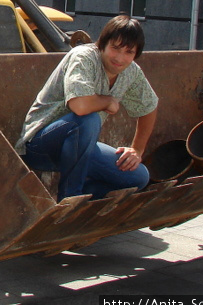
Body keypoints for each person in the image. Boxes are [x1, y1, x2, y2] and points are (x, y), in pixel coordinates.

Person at [14, 15, 158, 201]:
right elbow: (80, 106)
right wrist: (108, 101)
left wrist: (137, 150)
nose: (120, 58)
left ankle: (83, 198)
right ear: (102, 44)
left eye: (129, 52)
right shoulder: (83, 58)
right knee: (88, 120)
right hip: (41, 146)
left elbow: (149, 106)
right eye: (115, 48)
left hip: (80, 149)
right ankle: (69, 200)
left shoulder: (132, 72)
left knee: (137, 176)